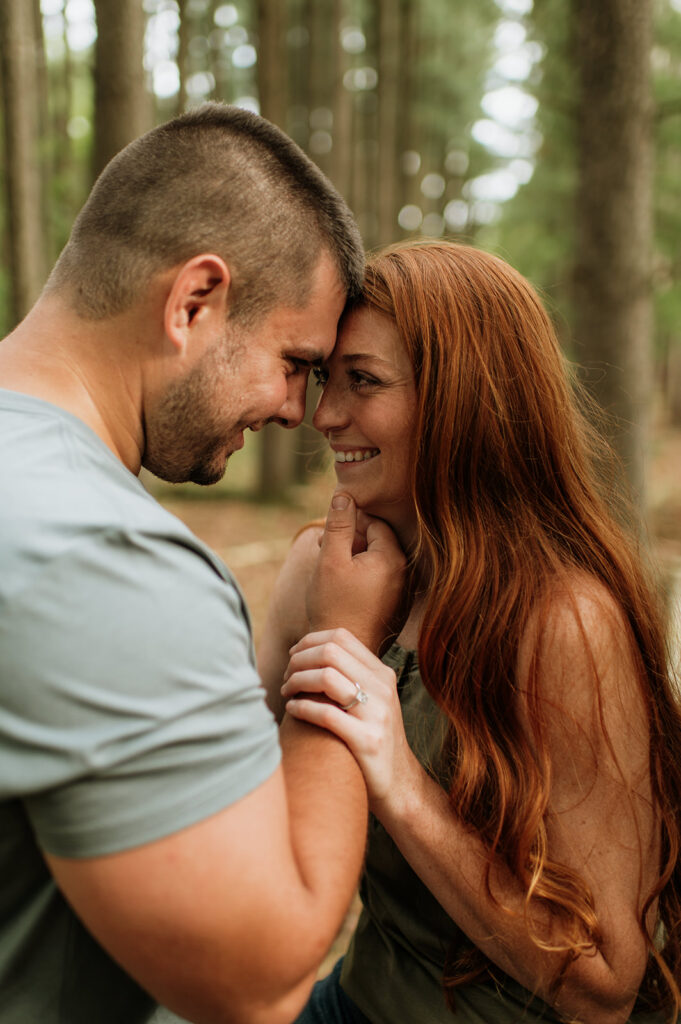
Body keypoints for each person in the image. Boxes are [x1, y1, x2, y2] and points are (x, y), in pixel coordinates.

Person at [0, 102, 407, 1024]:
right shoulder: (103, 557)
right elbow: (257, 984)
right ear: (194, 302)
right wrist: (340, 642)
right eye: (294, 361)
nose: (299, 411)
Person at [258, 240, 681, 1024]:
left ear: (462, 399)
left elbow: (606, 987)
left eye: (363, 381)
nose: (324, 416)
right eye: (325, 379)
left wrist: (399, 780)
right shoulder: (320, 573)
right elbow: (236, 805)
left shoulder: (565, 623)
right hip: (351, 1004)